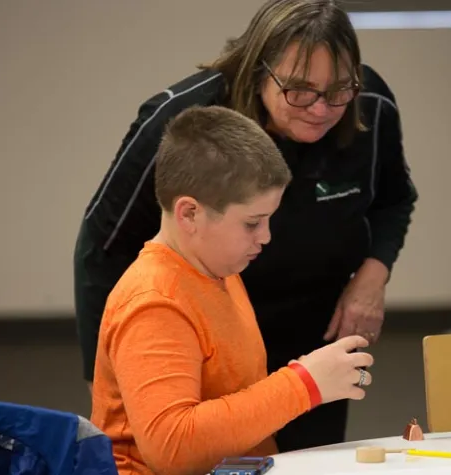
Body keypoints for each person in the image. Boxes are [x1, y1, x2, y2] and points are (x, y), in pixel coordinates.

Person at [74, 0, 417, 451]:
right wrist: (113, 382)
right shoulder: (187, 122)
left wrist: (371, 278)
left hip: (313, 329)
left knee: (297, 455)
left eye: (338, 90)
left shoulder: (368, 104)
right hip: (205, 339)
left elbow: (395, 200)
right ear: (259, 73)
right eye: (299, 91)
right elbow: (102, 247)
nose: (321, 108)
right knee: (200, 440)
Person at [90, 105, 375, 475]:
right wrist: (303, 385)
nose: (266, 237)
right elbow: (172, 448)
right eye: (252, 223)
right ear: (189, 214)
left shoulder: (217, 268)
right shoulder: (155, 302)